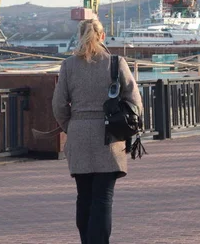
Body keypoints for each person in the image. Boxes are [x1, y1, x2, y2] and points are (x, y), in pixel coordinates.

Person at [52, 17, 142, 244]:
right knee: (103, 197)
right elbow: (135, 102)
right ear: (102, 36)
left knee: (84, 196)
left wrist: (70, 127)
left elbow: (59, 105)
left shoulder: (68, 66)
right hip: (109, 136)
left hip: (79, 134)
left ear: (79, 36)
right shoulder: (115, 62)